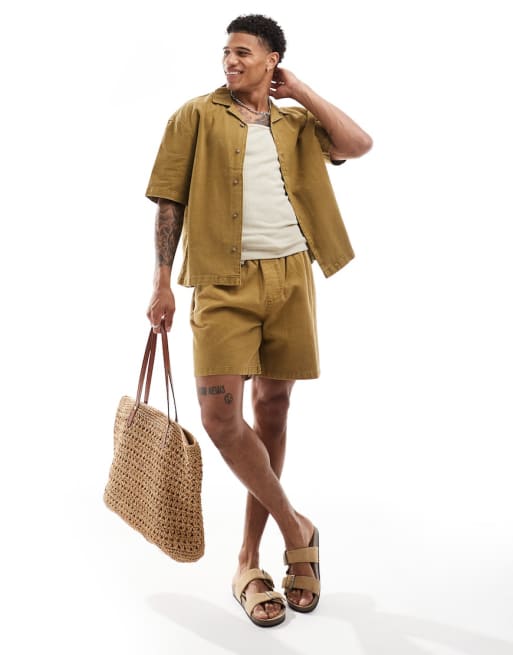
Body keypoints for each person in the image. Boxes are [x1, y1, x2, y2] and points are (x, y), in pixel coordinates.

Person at [145, 14, 372, 627]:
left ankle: (248, 559)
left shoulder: (296, 123)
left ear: (272, 60)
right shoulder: (195, 115)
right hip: (221, 282)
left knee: (273, 409)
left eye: (244, 52)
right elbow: (169, 201)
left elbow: (358, 144)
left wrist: (302, 91)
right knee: (221, 419)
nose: (231, 60)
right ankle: (298, 529)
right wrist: (162, 281)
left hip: (291, 278)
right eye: (226, 52)